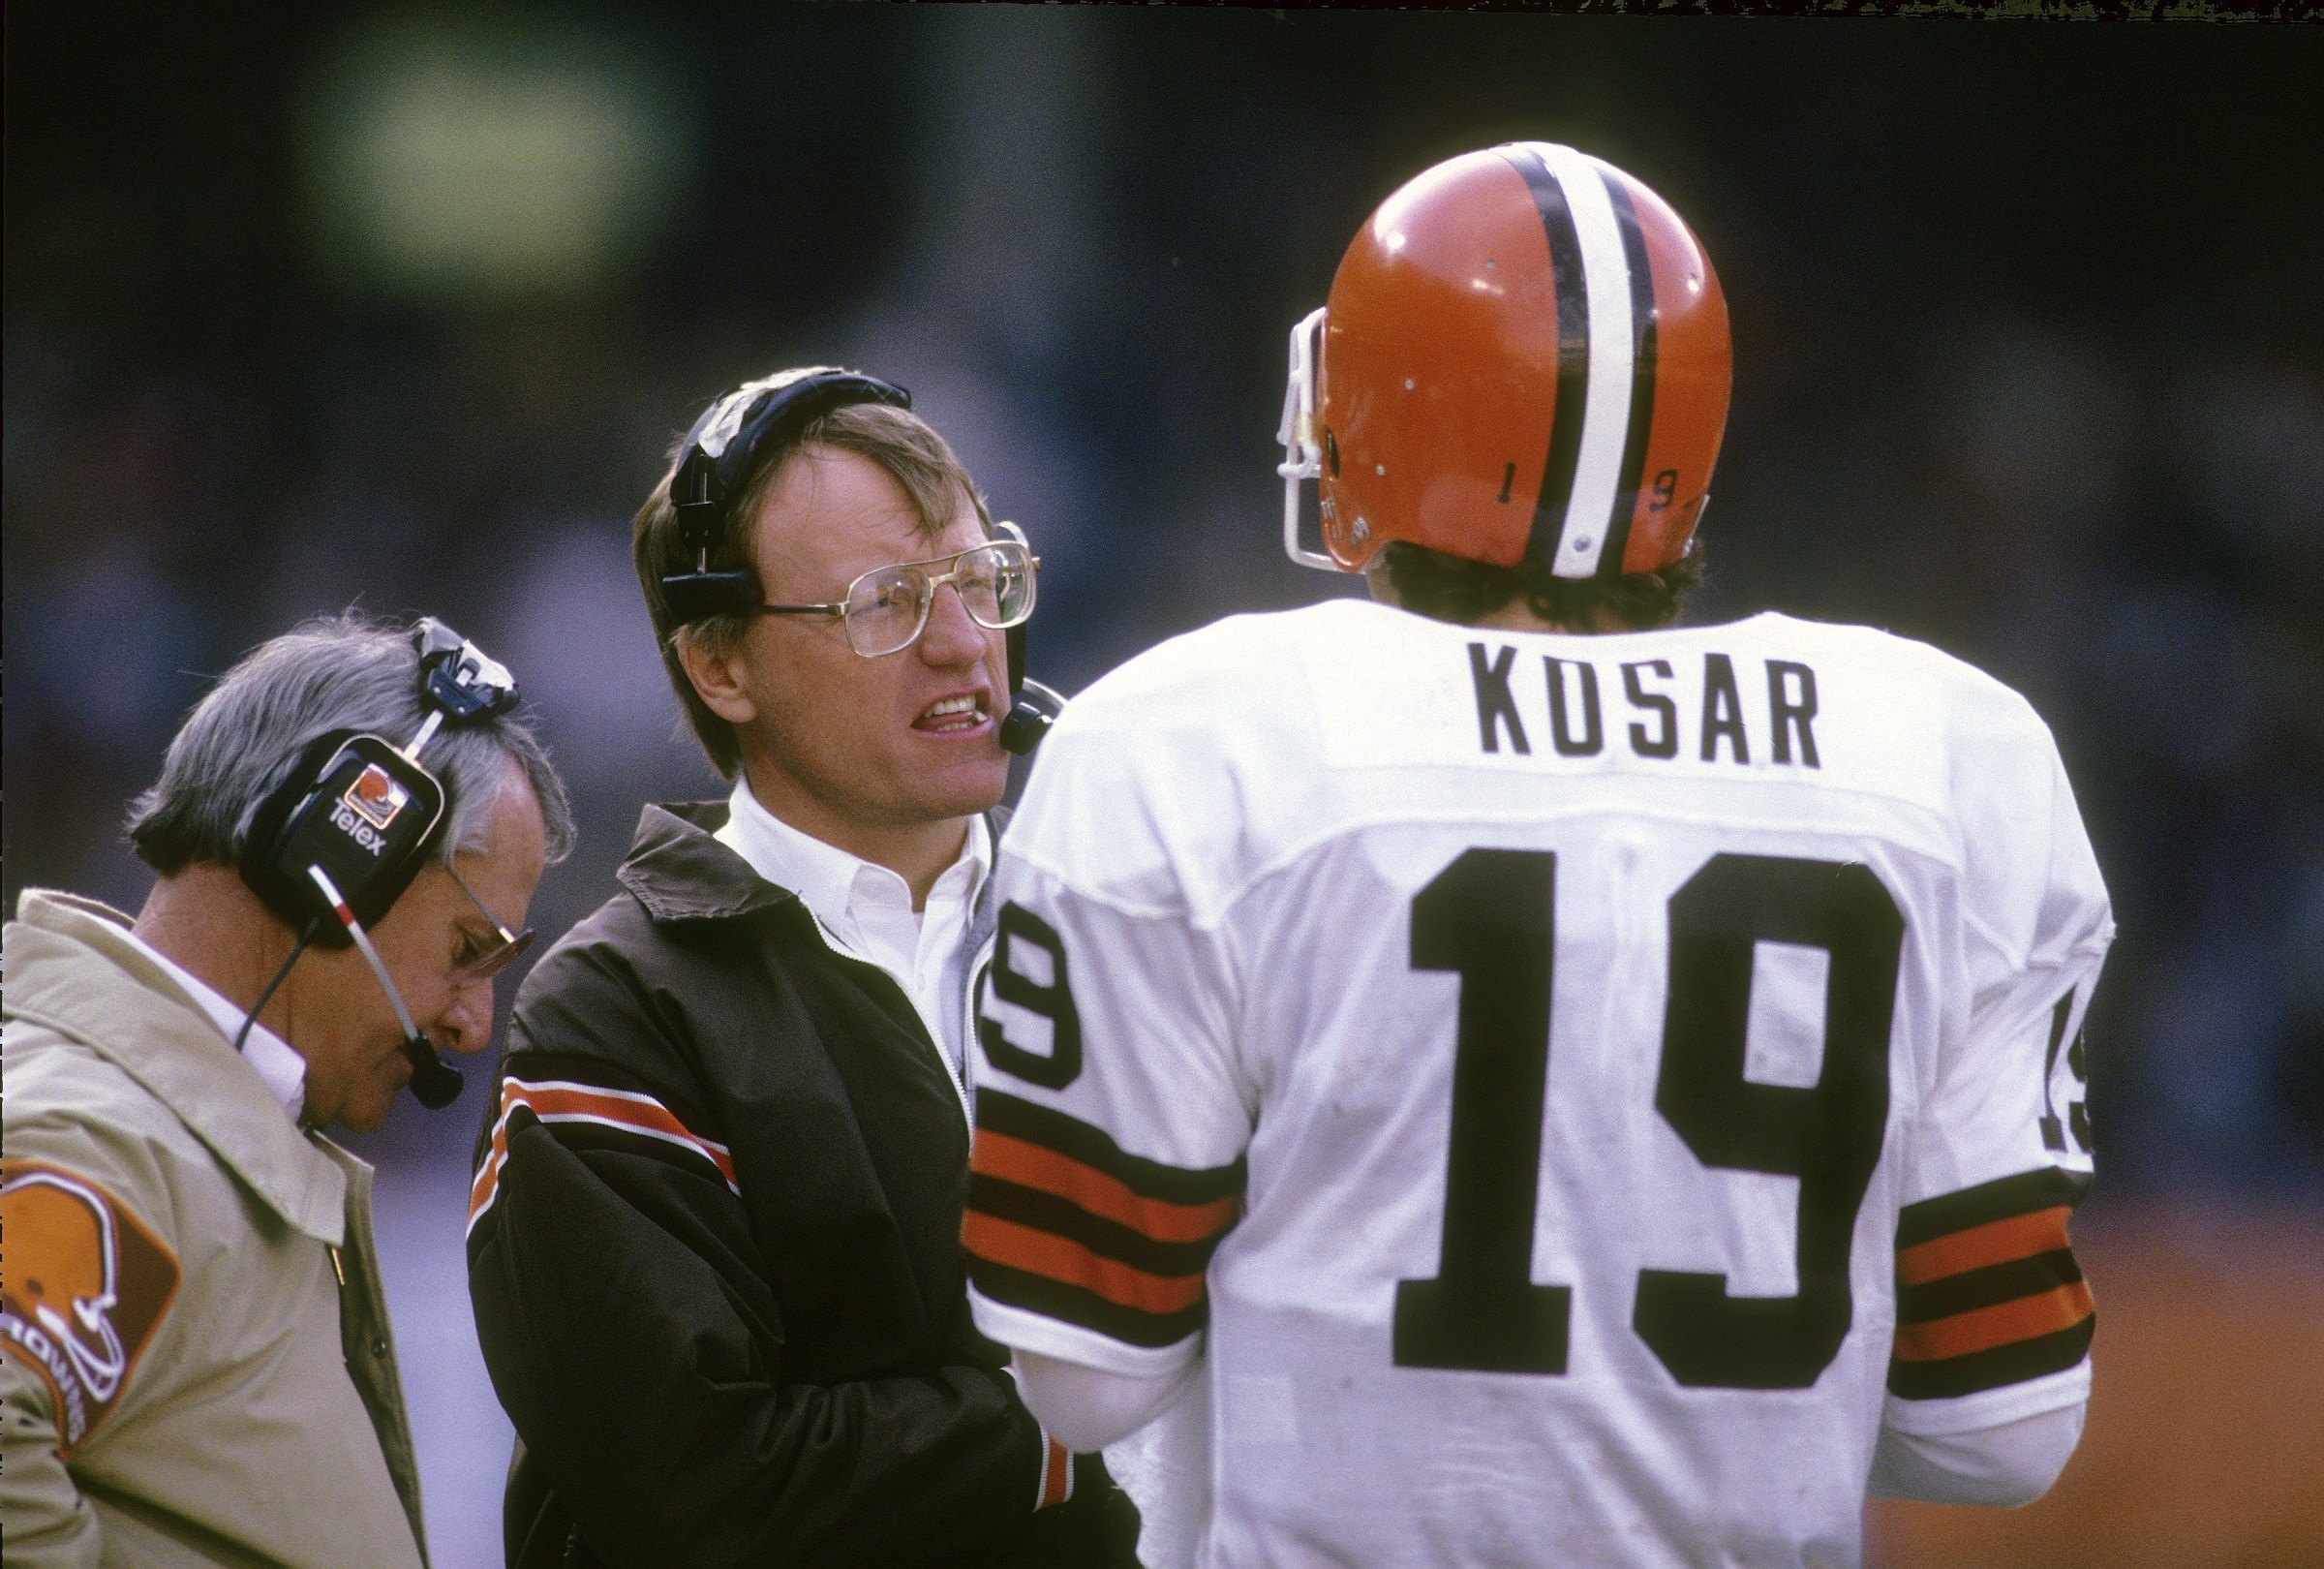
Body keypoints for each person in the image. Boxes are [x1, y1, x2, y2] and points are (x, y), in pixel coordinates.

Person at [962, 142, 2109, 1568]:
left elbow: (1085, 1376)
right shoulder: (1945, 755)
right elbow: (2001, 1427)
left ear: (1365, 424)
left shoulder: (1191, 739)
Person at [466, 367, 1137, 1567]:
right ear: (719, 666)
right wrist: (1097, 1428)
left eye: (982, 583)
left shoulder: (1135, 924)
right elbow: (704, 1492)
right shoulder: (614, 1010)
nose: (963, 645)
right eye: (887, 604)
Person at [2, 612, 572, 1567]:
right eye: (468, 950)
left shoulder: (177, 1138)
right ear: (336, 858)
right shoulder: (99, 1135)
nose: (474, 1024)